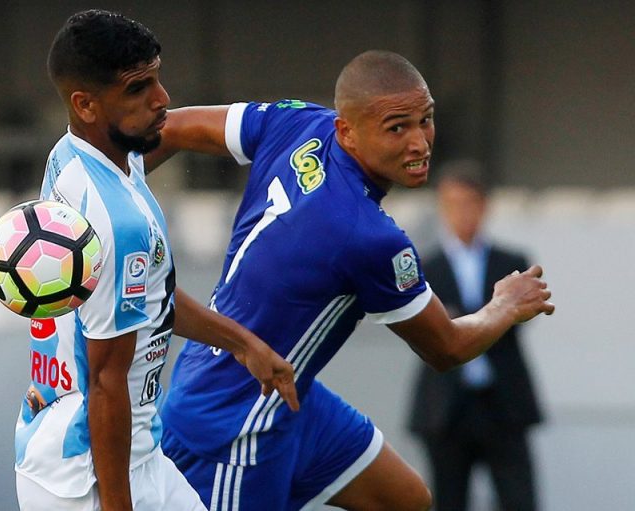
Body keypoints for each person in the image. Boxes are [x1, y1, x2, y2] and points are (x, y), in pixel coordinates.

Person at [144, 49, 555, 511]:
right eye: (397, 127)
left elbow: (172, 127)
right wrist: (505, 304)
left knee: (405, 499)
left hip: (290, 396)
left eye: (426, 119)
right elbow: (447, 347)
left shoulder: (298, 122)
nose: (420, 142)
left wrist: (125, 185)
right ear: (347, 131)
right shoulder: (366, 237)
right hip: (232, 422)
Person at [13, 10, 299, 511]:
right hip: (88, 474)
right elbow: (105, 383)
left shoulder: (76, 157)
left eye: (157, 78)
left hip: (123, 448)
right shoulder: (113, 221)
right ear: (86, 104)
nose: (162, 98)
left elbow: (149, 297)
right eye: (138, 87)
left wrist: (242, 343)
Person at [407, 160, 543, 511]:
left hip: (503, 401)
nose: (461, 214)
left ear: (484, 206)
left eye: (469, 203)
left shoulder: (511, 263)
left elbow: (524, 316)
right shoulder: (424, 267)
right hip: (447, 407)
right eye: (452, 204)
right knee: (448, 500)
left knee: (519, 499)